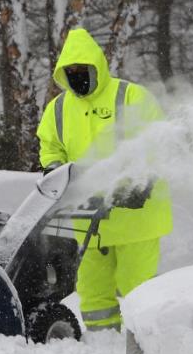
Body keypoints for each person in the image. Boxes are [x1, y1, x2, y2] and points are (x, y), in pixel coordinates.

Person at [37, 28, 172, 332]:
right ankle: (102, 343)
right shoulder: (58, 109)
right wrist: (55, 171)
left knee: (137, 285)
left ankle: (146, 340)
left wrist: (141, 183)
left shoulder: (131, 96)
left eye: (81, 70)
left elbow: (158, 142)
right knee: (92, 288)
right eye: (69, 72)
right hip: (87, 221)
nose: (76, 77)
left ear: (95, 67)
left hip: (136, 218)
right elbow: (51, 146)